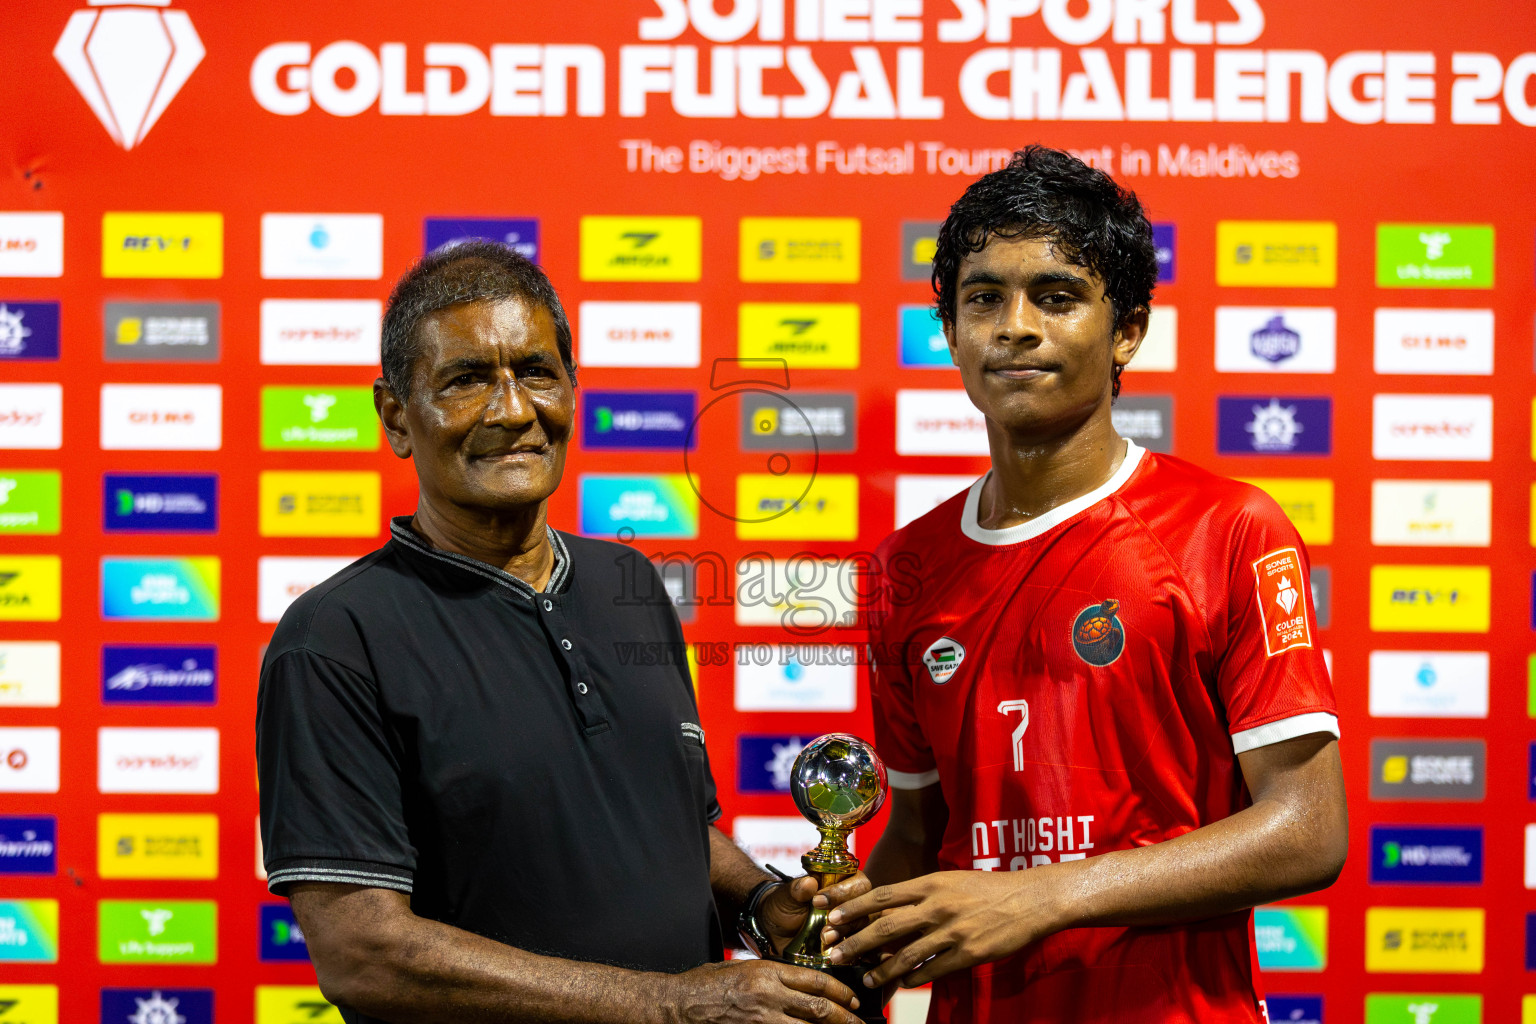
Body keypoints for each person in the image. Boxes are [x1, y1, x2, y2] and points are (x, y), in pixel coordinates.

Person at [255, 241, 866, 1024]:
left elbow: (670, 822)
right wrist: (667, 1005)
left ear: (572, 390)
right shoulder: (336, 638)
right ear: (396, 417)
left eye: (537, 372)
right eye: (467, 380)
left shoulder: (631, 584)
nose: (514, 410)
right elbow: (361, 953)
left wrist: (759, 904)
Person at [819, 146, 1347, 1022]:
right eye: (983, 297)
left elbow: (1307, 830)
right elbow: (919, 837)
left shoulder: (1227, 527)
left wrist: (1042, 896)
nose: (1014, 326)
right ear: (949, 330)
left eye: (1056, 297)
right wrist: (846, 929)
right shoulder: (902, 569)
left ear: (1128, 329)